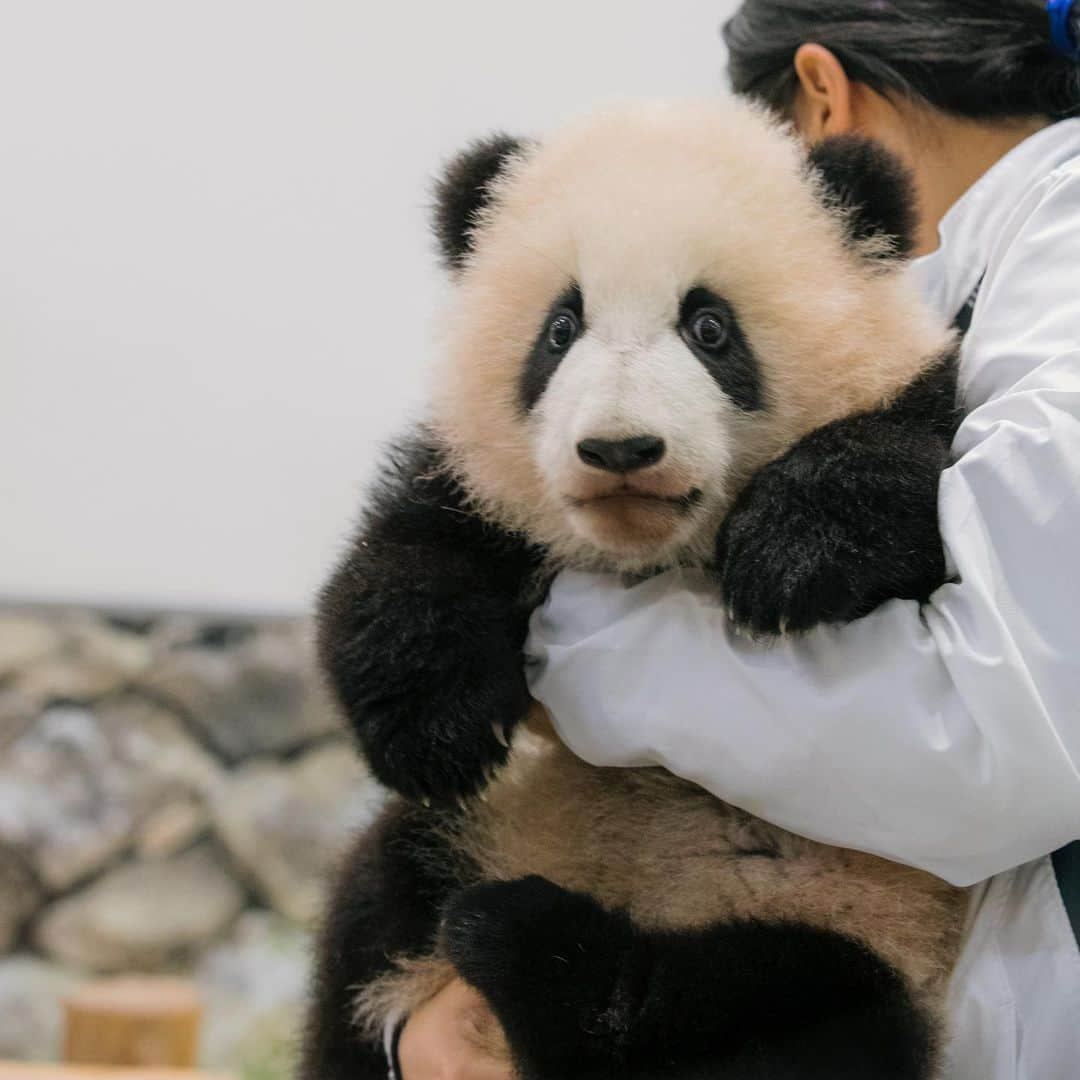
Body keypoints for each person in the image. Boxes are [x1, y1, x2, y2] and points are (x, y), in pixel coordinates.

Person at [396, 2, 1080, 1076]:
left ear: (820, 94)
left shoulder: (1054, 269)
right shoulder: (977, 273)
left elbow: (989, 743)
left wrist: (558, 645)